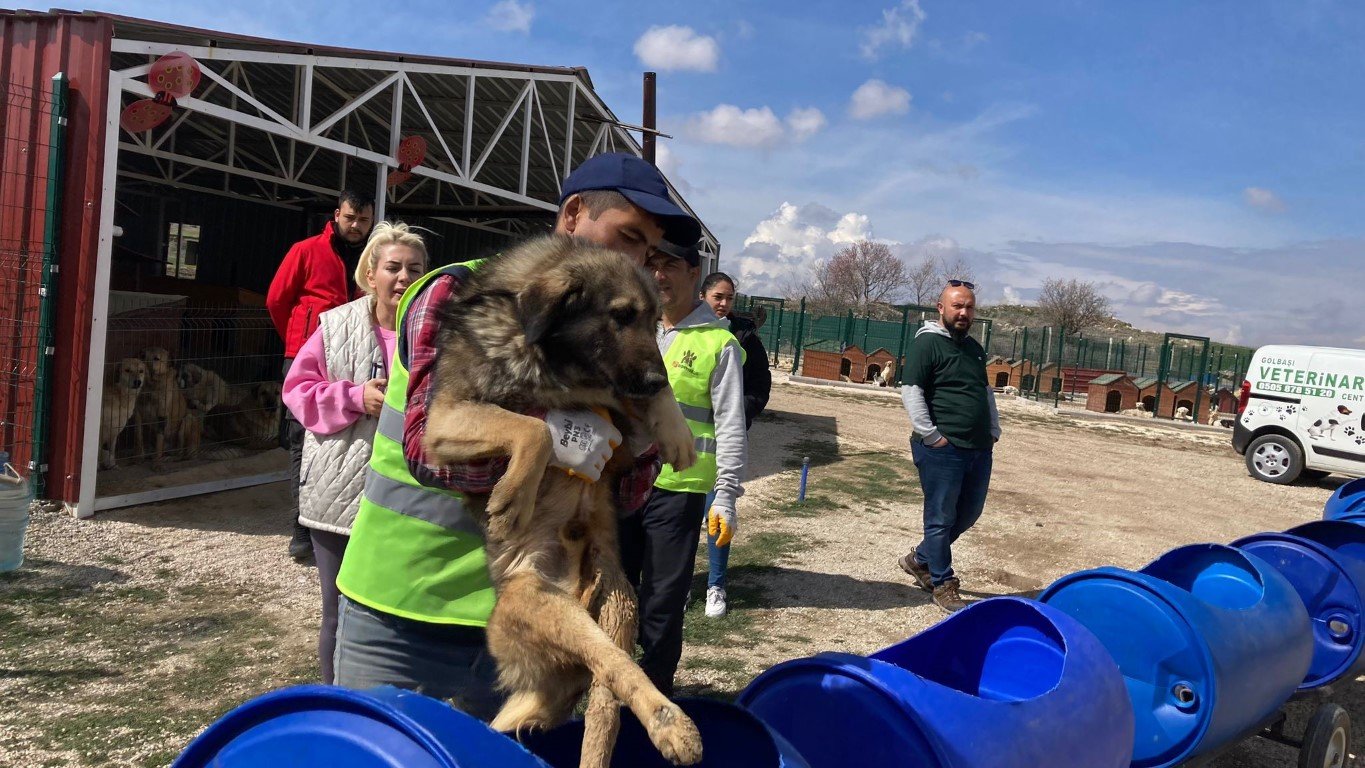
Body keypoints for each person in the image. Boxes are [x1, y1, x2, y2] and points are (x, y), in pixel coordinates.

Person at [332, 153, 701, 719]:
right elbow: (428, 456)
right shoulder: (458, 292)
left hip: (535, 614)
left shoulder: (605, 335)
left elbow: (626, 498)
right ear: (574, 213)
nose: (634, 260)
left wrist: (642, 429)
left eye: (647, 251)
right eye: (627, 236)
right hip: (405, 607)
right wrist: (547, 439)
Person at [281, 222, 427, 684]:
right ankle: (335, 704)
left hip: (404, 499)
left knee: (395, 614)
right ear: (370, 272)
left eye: (415, 269)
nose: (403, 278)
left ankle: (387, 704)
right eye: (393, 267)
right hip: (339, 495)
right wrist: (353, 397)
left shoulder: (434, 337)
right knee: (337, 613)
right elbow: (297, 391)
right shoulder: (336, 326)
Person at [624, 241, 746, 693]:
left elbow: (732, 426)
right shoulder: (632, 327)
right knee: (614, 589)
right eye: (651, 264)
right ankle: (611, 684)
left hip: (677, 488)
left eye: (669, 265)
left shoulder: (720, 343)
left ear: (694, 272)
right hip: (618, 483)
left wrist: (727, 496)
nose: (657, 275)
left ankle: (654, 693)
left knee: (661, 601)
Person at [267, 189, 376, 562]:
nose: (356, 226)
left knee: (350, 441)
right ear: (337, 215)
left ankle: (345, 522)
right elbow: (277, 300)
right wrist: (299, 341)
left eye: (363, 220)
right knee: (303, 440)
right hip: (306, 356)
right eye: (350, 218)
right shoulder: (306, 250)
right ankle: (302, 525)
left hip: (354, 359)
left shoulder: (373, 260)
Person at [897, 280, 1000, 613]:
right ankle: (942, 582)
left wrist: (993, 428)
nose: (964, 312)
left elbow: (984, 391)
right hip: (943, 448)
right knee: (940, 517)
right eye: (957, 306)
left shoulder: (973, 347)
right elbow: (911, 390)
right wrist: (930, 435)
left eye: (969, 307)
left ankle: (920, 559)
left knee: (969, 513)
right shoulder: (927, 343)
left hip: (979, 447)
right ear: (940, 308)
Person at [696, 272, 770, 618]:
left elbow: (759, 386)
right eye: (718, 297)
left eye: (729, 298)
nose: (724, 304)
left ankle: (716, 585)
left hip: (723, 446)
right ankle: (680, 583)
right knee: (678, 521)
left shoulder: (745, 337)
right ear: (702, 296)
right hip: (685, 448)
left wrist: (739, 415)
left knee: (720, 514)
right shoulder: (686, 331)